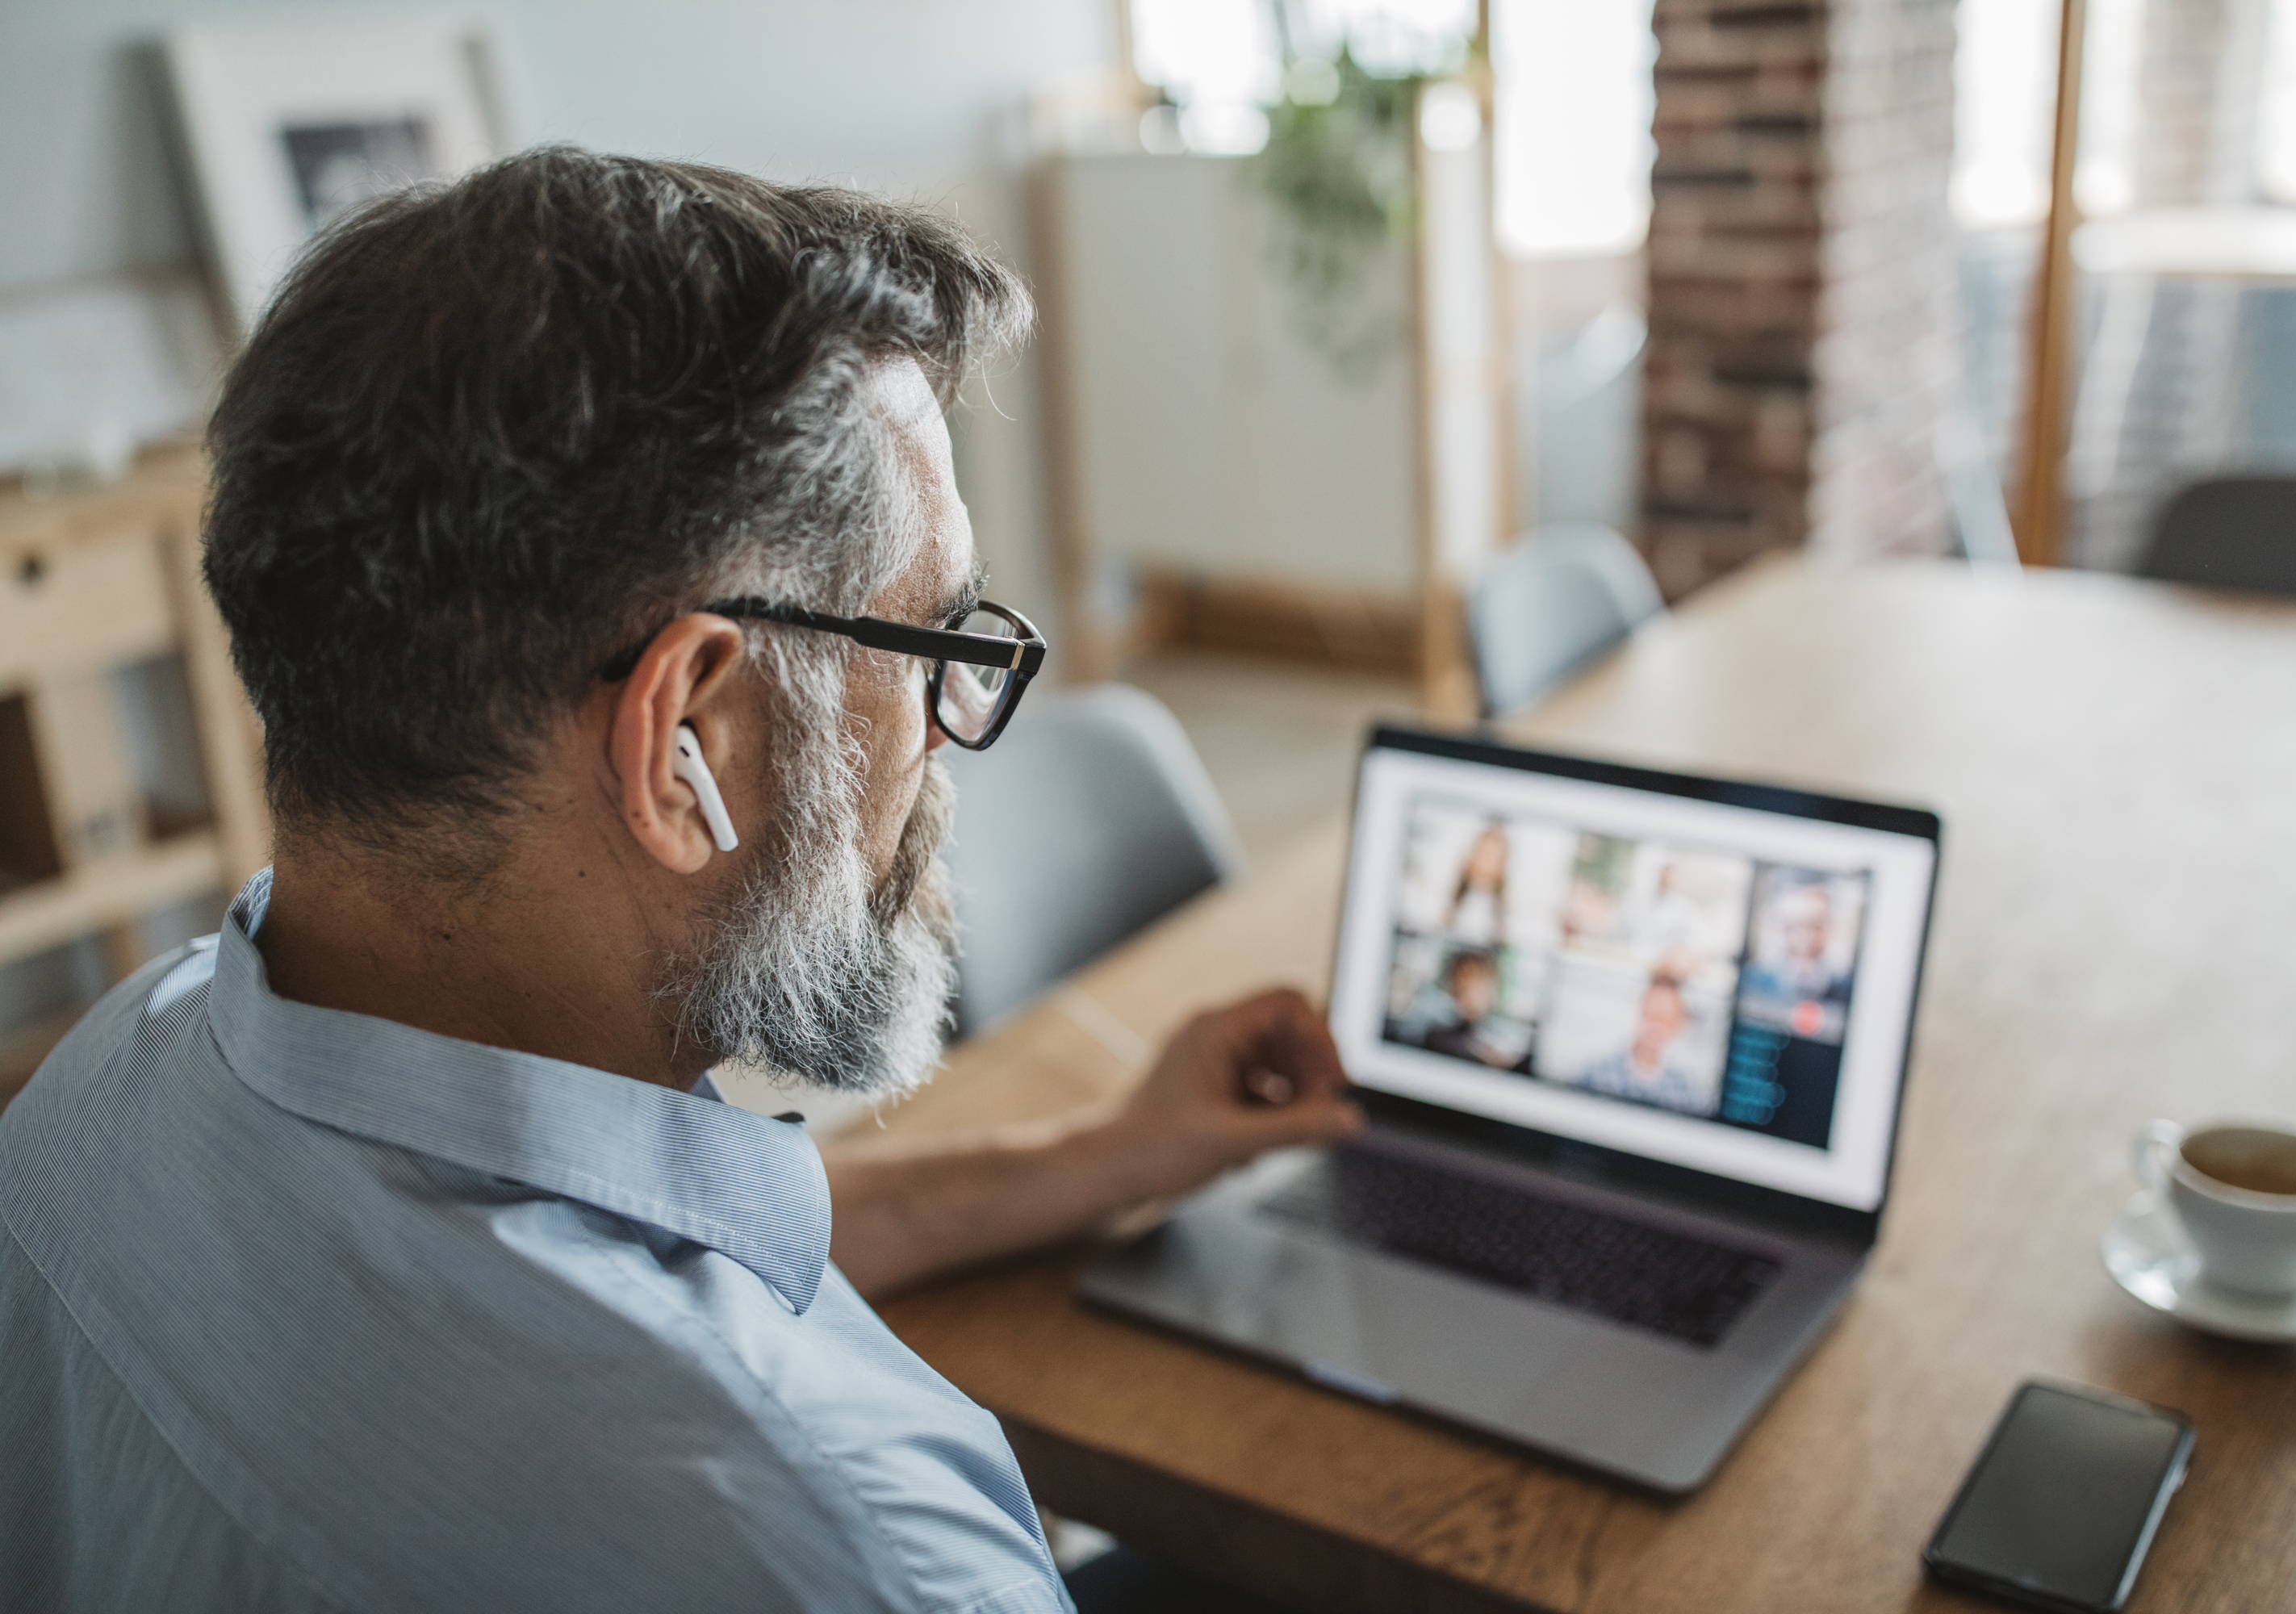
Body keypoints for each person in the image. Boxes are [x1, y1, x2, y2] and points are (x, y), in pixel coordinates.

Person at [0, 149, 1361, 1613]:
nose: (953, 741)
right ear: (683, 746)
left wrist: (1100, 1157)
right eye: (938, 647)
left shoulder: (96, 1091)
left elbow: (603, 1238)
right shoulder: (851, 1553)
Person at [1580, 968, 1711, 1114]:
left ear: (1678, 1025)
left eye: (1666, 1019)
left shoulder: (1689, 1094)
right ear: (1639, 1011)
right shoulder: (1595, 1075)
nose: (1656, 1026)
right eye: (1651, 1015)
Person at [1417, 948, 1529, 1072]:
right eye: (1462, 983)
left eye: (1478, 984)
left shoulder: (1510, 1038)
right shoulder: (1438, 1034)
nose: (1466, 991)